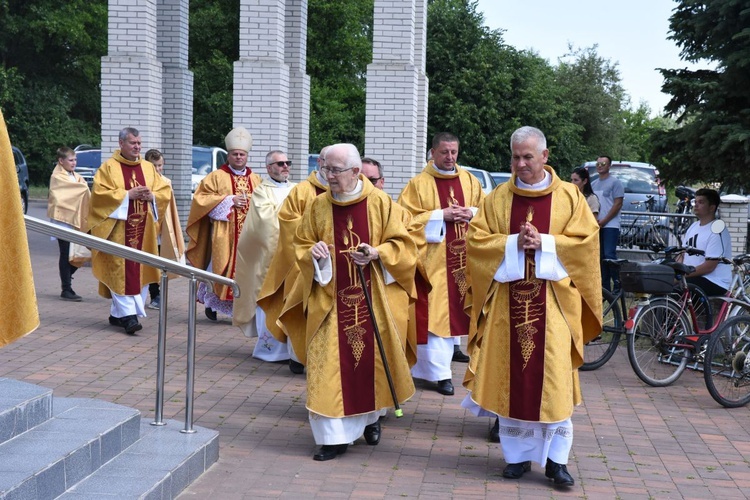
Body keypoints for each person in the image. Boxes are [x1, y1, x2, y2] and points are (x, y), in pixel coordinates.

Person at [461, 126, 601, 488]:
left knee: (552, 381)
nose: (520, 164)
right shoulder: (497, 199)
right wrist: (511, 244)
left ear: (545, 155)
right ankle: (517, 457)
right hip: (508, 304)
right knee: (511, 379)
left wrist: (546, 243)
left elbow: (586, 244)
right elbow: (475, 241)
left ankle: (557, 462)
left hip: (553, 305)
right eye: (515, 157)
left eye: (527, 157)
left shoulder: (570, 197)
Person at [279, 143, 417, 461]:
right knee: (327, 368)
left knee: (372, 367)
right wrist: (313, 255)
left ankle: (370, 421)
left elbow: (404, 246)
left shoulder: (381, 204)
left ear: (355, 172)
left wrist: (378, 253)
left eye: (335, 171)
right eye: (325, 169)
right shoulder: (317, 207)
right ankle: (332, 438)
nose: (329, 176)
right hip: (329, 301)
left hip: (372, 302)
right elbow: (300, 243)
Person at [397, 132, 484, 395]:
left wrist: (471, 213)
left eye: (454, 152)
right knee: (436, 316)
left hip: (464, 261)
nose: (450, 157)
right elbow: (405, 220)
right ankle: (439, 374)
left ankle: (445, 365)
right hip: (433, 263)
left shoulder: (469, 180)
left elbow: (486, 213)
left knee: (458, 312)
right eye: (444, 152)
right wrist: (439, 215)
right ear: (433, 153)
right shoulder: (418, 184)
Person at [88, 127, 172, 334]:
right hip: (119, 231)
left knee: (141, 269)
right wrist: (127, 195)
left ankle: (118, 314)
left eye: (139, 143)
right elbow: (99, 196)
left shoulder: (148, 167)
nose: (137, 147)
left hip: (144, 232)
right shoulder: (108, 168)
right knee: (120, 269)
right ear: (121, 143)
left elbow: (163, 191)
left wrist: (152, 196)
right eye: (133, 143)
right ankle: (129, 317)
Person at [256, 146, 330, 374]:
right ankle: (297, 357)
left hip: (333, 261)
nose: (334, 173)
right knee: (300, 307)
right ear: (319, 163)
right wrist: (315, 239)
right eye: (329, 166)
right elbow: (287, 222)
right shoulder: (302, 190)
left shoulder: (344, 192)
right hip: (303, 261)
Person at [186, 127, 262, 321]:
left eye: (242, 154)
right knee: (219, 266)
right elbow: (201, 199)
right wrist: (229, 200)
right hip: (224, 233)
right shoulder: (216, 176)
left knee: (246, 271)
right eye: (235, 154)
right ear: (228, 155)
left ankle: (242, 307)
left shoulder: (256, 179)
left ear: (247, 156)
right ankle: (212, 303)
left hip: (248, 234)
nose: (238, 157)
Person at [233, 150, 297, 361]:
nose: (285, 167)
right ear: (269, 168)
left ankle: (294, 347)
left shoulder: (298, 189)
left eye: (287, 163)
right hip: (272, 257)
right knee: (268, 296)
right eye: (279, 164)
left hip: (295, 256)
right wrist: (293, 219)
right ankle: (270, 349)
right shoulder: (262, 191)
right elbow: (264, 223)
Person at [143, 149, 186, 310]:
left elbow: (169, 207)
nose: (157, 169)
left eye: (160, 165)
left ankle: (156, 294)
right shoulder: (142, 181)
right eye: (154, 165)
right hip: (146, 227)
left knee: (159, 261)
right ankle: (152, 293)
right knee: (148, 260)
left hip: (161, 228)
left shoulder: (166, 182)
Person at [47, 147, 91, 302]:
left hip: (75, 219)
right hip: (62, 221)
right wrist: (83, 190)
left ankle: (67, 276)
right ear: (61, 161)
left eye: (75, 160)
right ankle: (66, 288)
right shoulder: (57, 176)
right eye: (71, 160)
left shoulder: (75, 176)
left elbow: (82, 191)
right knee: (65, 253)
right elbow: (61, 196)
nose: (74, 163)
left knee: (85, 249)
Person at [680, 188, 732, 296]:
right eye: (696, 201)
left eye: (701, 202)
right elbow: (682, 253)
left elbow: (709, 266)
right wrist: (675, 270)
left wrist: (683, 274)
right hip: (693, 276)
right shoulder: (694, 226)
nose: (696, 205)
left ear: (712, 207)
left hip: (714, 280)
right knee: (663, 284)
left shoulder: (718, 230)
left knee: (676, 289)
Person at [591, 156, 624, 292]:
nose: (600, 166)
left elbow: (617, 204)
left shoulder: (615, 183)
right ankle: (604, 288)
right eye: (597, 163)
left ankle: (617, 283)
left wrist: (604, 221)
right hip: (597, 225)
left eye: (603, 163)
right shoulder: (593, 184)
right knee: (600, 257)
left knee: (609, 254)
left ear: (609, 165)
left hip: (610, 225)